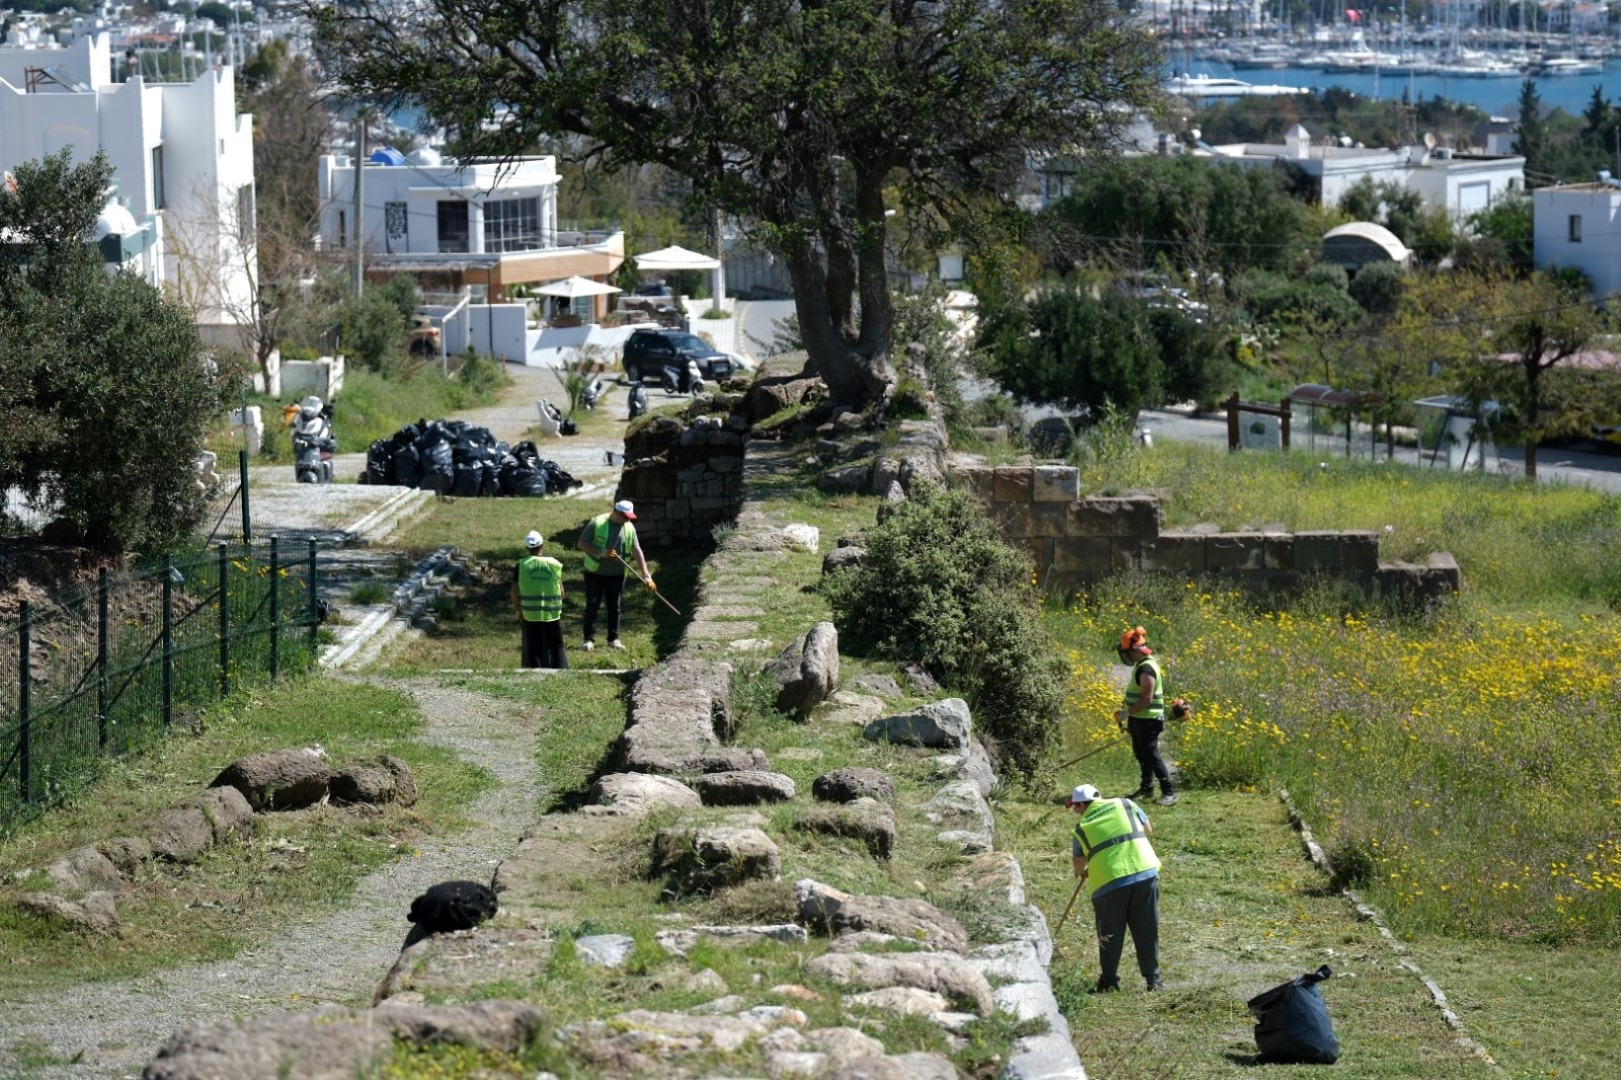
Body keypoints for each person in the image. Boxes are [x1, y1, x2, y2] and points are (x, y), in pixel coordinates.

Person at [1068, 782, 1162, 993]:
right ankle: (1153, 980)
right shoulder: (1125, 804)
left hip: (1108, 884)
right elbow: (1148, 829)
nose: (1075, 812)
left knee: (1110, 934)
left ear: (1082, 805)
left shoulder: (1081, 828)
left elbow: (1078, 864)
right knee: (1147, 928)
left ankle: (1109, 982)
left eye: (1075, 807)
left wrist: (1084, 871)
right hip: (1144, 872)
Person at [576, 499, 653, 651]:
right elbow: (581, 543)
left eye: (629, 518)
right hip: (594, 573)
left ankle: (614, 639)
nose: (627, 520)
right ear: (617, 513)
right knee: (592, 605)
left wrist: (646, 575)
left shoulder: (629, 527)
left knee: (614, 607)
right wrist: (601, 552)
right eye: (625, 517)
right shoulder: (597, 523)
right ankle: (588, 640)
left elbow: (637, 550)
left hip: (617, 575)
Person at [1117, 626, 1177, 807]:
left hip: (1149, 720)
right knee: (1141, 754)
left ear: (1135, 651)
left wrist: (1126, 713)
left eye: (1127, 652)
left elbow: (1146, 698)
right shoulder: (1141, 665)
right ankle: (1146, 788)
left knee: (1152, 755)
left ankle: (1169, 792)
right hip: (1139, 719)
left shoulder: (1147, 669)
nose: (1126, 656)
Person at [511, 531, 567, 668]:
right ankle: (563, 672)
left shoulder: (522, 565)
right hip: (552, 613)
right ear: (542, 545)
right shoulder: (554, 564)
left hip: (530, 614)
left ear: (526, 548)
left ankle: (536, 674)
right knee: (557, 645)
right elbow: (561, 591)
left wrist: (519, 610)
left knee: (534, 646)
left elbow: (513, 592)